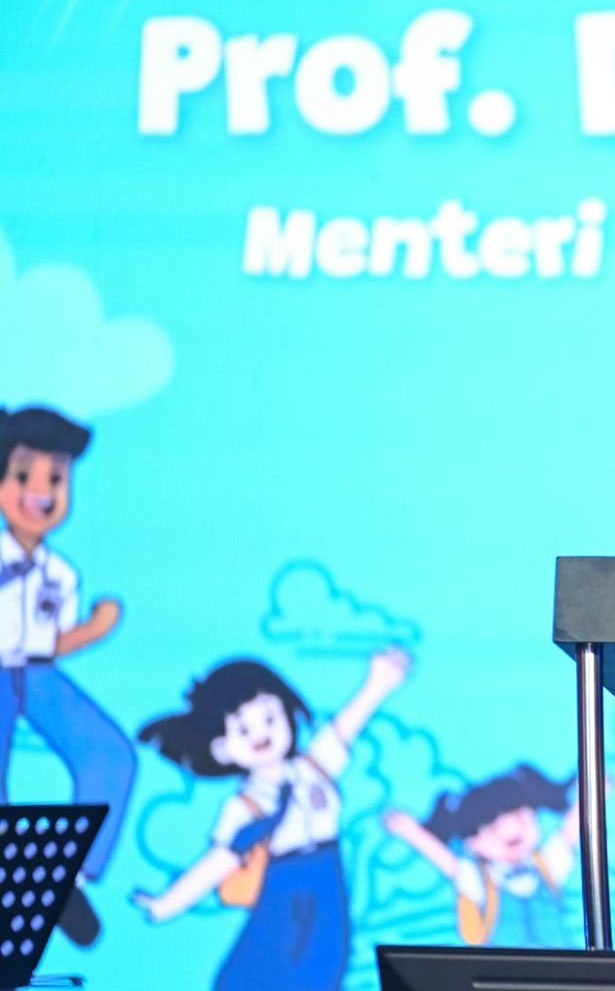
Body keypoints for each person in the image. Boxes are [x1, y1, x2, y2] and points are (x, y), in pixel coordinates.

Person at [132, 648, 412, 991]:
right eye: (243, 729)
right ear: (222, 748)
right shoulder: (244, 805)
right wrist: (167, 904)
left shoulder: (312, 767)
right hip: (284, 899)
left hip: (328, 893)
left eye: (269, 718)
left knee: (324, 973)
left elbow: (343, 729)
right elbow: (220, 861)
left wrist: (378, 683)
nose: (260, 734)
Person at [0, 406, 137, 946]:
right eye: (23, 475)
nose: (41, 491)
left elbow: (48, 642)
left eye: (56, 479)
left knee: (110, 755)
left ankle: (67, 879)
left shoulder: (60, 574)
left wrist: (94, 630)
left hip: (35, 673)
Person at [382, 764, 581, 948]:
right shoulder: (481, 881)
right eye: (493, 828)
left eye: (520, 817)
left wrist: (589, 791)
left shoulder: (544, 867)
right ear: (472, 842)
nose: (510, 828)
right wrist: (412, 833)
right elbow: (450, 864)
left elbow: (569, 833)